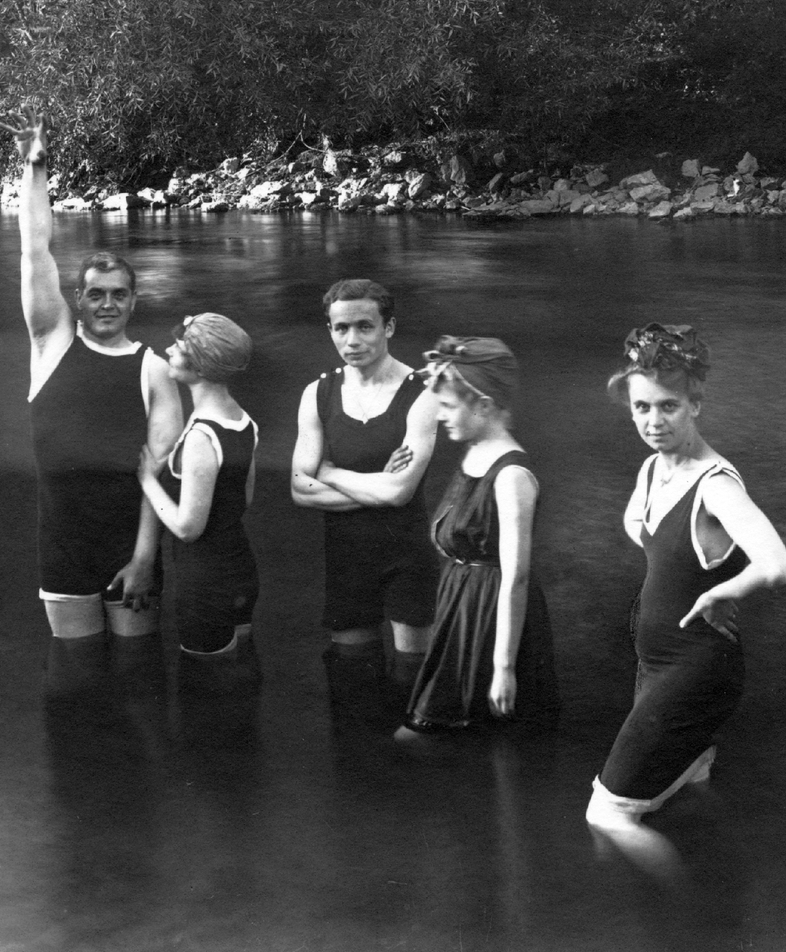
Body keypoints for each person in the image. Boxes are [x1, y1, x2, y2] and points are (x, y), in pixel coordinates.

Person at [586, 324, 786, 829]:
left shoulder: (716, 486)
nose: (653, 421)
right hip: (653, 663)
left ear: (695, 405)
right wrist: (688, 571)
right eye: (642, 408)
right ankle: (705, 888)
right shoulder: (654, 468)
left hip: (696, 667)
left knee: (608, 816)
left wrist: (724, 589)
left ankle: (673, 893)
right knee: (686, 783)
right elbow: (645, 532)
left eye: (668, 407)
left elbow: (778, 564)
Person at [3, 110, 183, 640]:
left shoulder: (154, 369)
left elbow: (162, 474)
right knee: (74, 676)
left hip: (130, 548)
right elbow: (34, 252)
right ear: (77, 300)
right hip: (61, 546)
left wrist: (146, 559)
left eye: (119, 295)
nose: (107, 304)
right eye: (96, 294)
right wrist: (35, 171)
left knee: (135, 676)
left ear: (134, 301)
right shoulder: (51, 344)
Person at [398, 337, 558, 735]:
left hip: (492, 614)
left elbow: (516, 577)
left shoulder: (511, 477)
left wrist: (503, 667)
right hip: (461, 604)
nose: (441, 417)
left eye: (449, 407)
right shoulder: (472, 454)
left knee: (446, 732)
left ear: (484, 406)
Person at [290, 279, 439, 683]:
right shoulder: (318, 393)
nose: (352, 339)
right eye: (341, 328)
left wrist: (331, 472)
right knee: (351, 679)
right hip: (346, 556)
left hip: (406, 557)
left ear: (388, 328)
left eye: (365, 326)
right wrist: (380, 486)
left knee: (413, 679)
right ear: (331, 331)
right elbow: (300, 489)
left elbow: (401, 491)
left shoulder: (423, 393)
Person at [137, 313, 260, 667]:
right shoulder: (245, 422)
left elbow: (189, 528)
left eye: (178, 346)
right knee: (239, 673)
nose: (168, 350)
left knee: (206, 687)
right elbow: (244, 500)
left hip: (204, 583)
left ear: (202, 366)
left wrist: (148, 480)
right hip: (240, 569)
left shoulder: (201, 438)